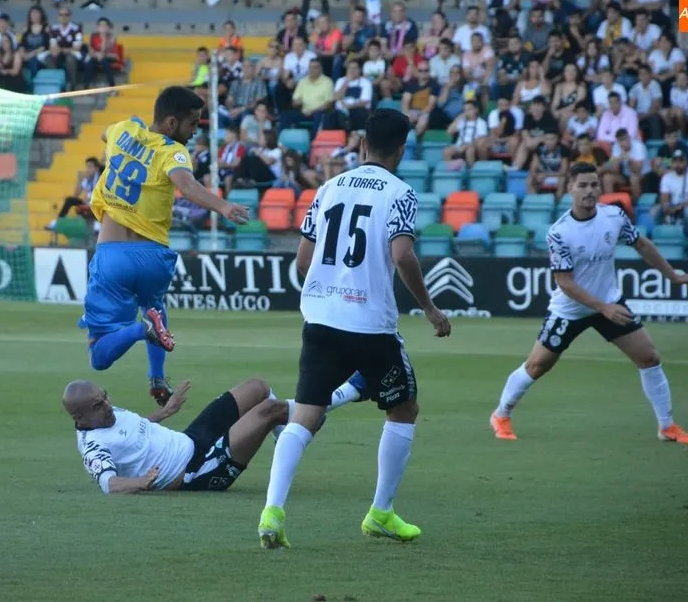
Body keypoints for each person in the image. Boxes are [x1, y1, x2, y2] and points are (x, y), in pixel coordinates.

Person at [257, 109, 452, 550]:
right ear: (401, 150)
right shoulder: (400, 193)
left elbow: (303, 261)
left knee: (307, 414)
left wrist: (326, 294)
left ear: (362, 145)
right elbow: (402, 256)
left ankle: (273, 511)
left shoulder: (328, 187)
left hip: (321, 319)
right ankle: (380, 512)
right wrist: (429, 307)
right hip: (370, 325)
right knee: (403, 409)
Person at [489, 163, 688, 445]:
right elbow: (564, 282)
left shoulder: (613, 216)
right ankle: (501, 414)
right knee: (537, 366)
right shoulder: (559, 232)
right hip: (571, 309)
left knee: (649, 357)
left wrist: (673, 276)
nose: (589, 191)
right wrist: (603, 307)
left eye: (594, 185)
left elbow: (642, 245)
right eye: (583, 186)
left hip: (609, 303)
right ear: (569, 189)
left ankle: (667, 427)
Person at [82, 87, 250, 406]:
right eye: (193, 124)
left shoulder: (123, 130)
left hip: (113, 257)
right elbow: (185, 184)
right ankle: (158, 378)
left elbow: (106, 134)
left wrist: (128, 136)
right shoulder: (171, 150)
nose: (195, 131)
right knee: (155, 303)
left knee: (98, 355)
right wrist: (223, 206)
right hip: (154, 259)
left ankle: (141, 330)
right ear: (171, 123)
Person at [63, 376, 364, 495]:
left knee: (257, 387)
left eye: (105, 397)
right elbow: (108, 483)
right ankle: (344, 393)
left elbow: (131, 427)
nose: (108, 405)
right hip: (195, 471)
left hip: (191, 439)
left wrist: (165, 413)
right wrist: (141, 483)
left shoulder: (106, 416)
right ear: (79, 417)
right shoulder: (93, 446)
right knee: (269, 410)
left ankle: (288, 436)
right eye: (98, 405)